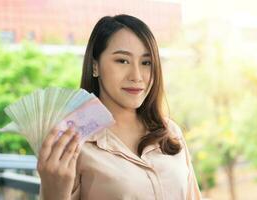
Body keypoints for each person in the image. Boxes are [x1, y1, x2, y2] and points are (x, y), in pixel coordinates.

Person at [37, 14, 202, 200]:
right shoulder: (73, 143)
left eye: (146, 63)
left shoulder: (170, 132)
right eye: (122, 60)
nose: (137, 76)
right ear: (95, 66)